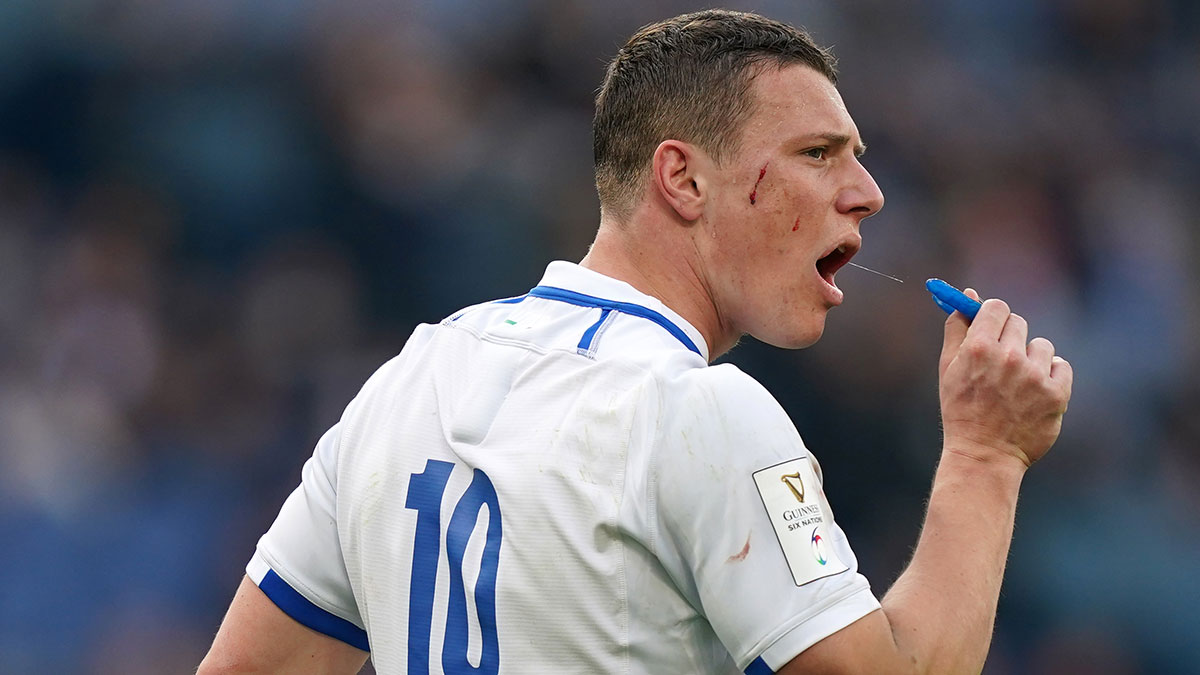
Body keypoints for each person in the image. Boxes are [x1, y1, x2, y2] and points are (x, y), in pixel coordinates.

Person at [198, 9, 1072, 674]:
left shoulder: (411, 374)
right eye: (818, 152)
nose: (869, 192)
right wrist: (986, 458)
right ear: (684, 177)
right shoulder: (696, 411)